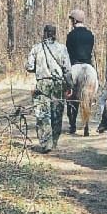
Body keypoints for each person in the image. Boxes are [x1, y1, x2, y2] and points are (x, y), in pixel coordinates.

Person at [25, 24, 72, 153]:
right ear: (55, 34)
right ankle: (54, 141)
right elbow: (67, 69)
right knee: (57, 113)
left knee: (42, 114)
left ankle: (46, 143)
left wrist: (39, 67)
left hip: (42, 83)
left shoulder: (36, 48)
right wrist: (69, 85)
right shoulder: (62, 49)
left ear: (44, 33)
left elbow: (29, 66)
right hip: (58, 83)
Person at [64, 9, 97, 134]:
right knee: (87, 96)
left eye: (72, 20)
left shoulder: (71, 35)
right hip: (88, 65)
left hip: (74, 65)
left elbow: (68, 53)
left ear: (75, 20)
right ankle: (86, 126)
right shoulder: (90, 35)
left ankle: (72, 125)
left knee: (70, 96)